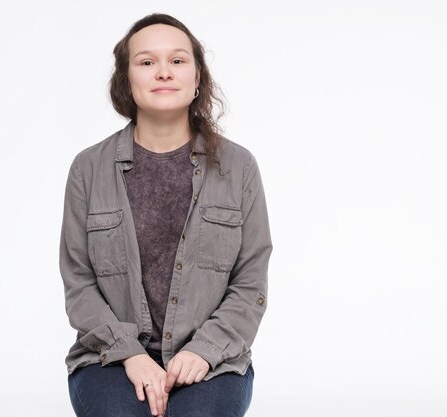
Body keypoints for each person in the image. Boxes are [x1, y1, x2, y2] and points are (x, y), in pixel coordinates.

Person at [59, 13, 272, 417]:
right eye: (146, 62)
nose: (163, 72)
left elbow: (250, 281)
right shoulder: (88, 168)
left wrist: (204, 350)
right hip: (110, 359)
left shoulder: (239, 167)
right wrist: (131, 355)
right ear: (126, 81)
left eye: (177, 61)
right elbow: (79, 283)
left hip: (214, 360)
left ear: (197, 79)